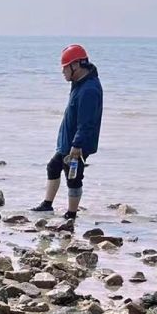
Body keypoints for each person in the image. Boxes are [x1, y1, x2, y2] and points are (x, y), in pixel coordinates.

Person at [33, 45, 103, 224]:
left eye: (65, 67)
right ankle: (47, 204)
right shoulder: (79, 82)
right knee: (53, 167)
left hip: (77, 144)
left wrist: (77, 145)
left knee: (73, 177)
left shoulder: (89, 90)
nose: (62, 72)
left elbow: (87, 123)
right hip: (68, 142)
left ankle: (71, 216)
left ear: (76, 66)